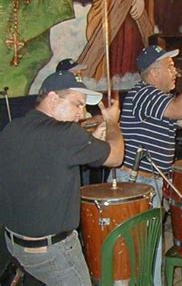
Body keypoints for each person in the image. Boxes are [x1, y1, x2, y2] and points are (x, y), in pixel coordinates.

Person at [0, 71, 124, 285]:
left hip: (16, 245)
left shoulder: (13, 128)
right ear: (53, 98)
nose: (83, 114)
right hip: (53, 252)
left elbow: (46, 161)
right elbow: (115, 156)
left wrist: (90, 144)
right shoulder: (66, 134)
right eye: (77, 104)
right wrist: (113, 123)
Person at [113, 45, 182, 285]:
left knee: (151, 251)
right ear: (153, 74)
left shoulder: (161, 101)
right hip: (136, 183)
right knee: (133, 254)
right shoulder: (143, 94)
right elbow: (180, 109)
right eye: (170, 67)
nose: (176, 72)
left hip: (151, 182)